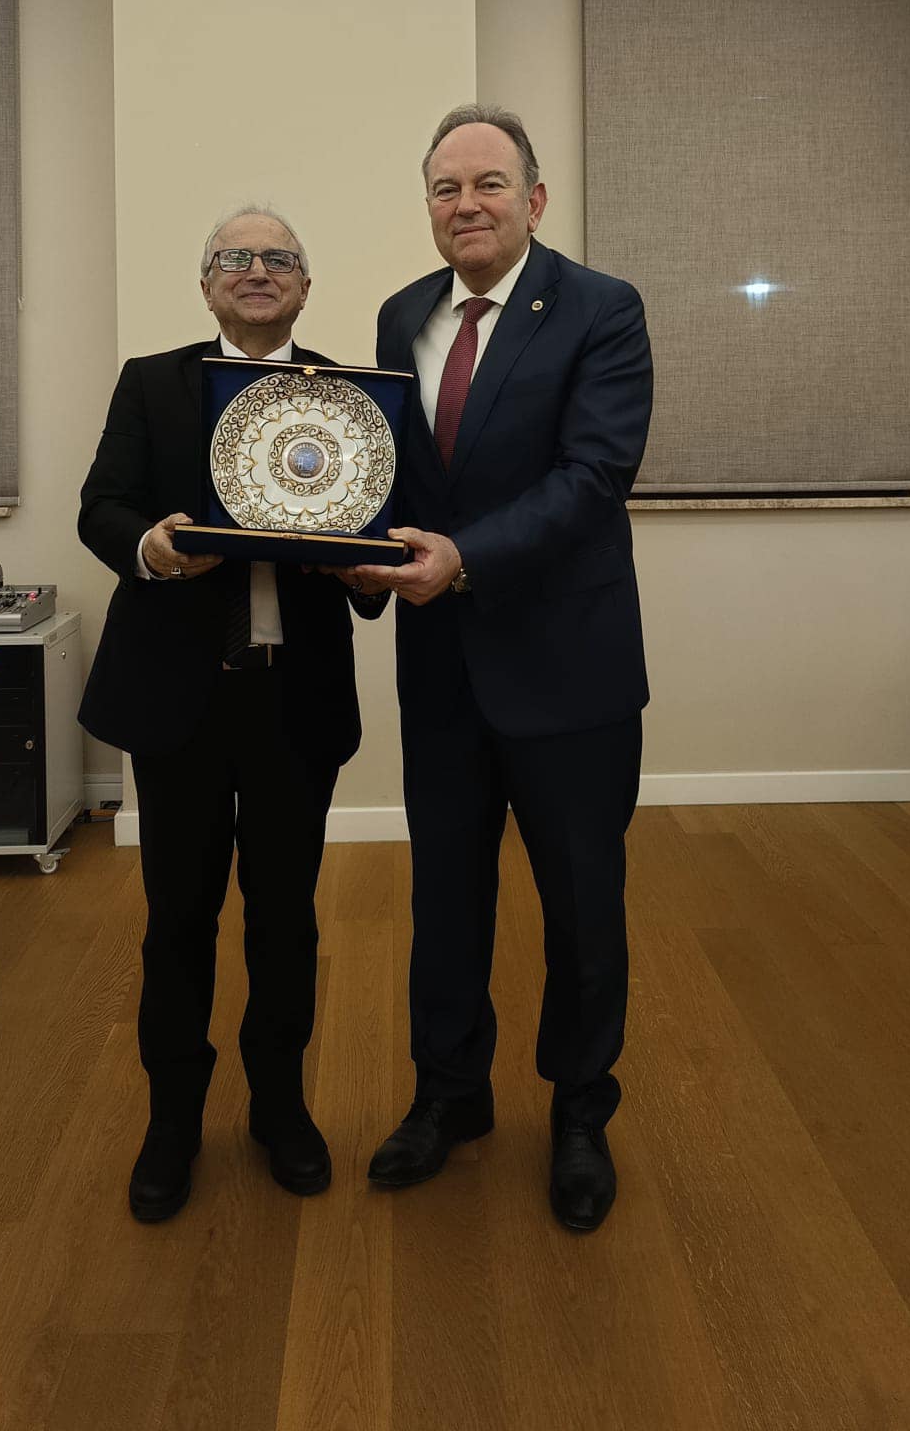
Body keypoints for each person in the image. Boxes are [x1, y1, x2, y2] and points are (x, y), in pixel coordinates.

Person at [353, 106, 653, 1233]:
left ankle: (579, 1111)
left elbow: (594, 476)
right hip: (439, 668)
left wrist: (463, 559)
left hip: (567, 667)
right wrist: (350, 549)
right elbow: (392, 476)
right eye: (446, 188)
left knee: (581, 905)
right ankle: (450, 1094)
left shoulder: (601, 309)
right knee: (445, 898)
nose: (465, 204)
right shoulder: (400, 316)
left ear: (534, 199)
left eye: (488, 183)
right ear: (428, 207)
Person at [78, 207, 384, 1223]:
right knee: (178, 920)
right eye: (236, 258)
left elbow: (378, 530)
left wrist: (369, 563)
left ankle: (279, 1110)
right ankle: (173, 1120)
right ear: (207, 283)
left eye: (279, 258)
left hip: (296, 702)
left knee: (286, 918)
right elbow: (101, 507)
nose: (258, 270)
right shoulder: (149, 382)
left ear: (306, 285)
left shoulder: (349, 397)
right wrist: (155, 548)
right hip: (180, 701)